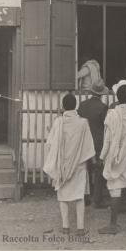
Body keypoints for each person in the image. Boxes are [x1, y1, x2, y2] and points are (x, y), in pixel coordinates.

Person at [43, 93, 95, 236]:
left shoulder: (58, 122)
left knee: (62, 194)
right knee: (79, 195)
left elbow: (51, 144)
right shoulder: (83, 122)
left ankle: (65, 227)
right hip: (79, 164)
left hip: (62, 165)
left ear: (63, 106)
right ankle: (80, 228)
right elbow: (88, 146)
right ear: (76, 105)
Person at [98, 84, 126, 235]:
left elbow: (108, 140)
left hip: (114, 156)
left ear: (117, 97)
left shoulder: (111, 115)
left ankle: (113, 225)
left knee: (115, 189)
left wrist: (102, 157)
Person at [78, 79, 109, 208]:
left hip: (84, 141)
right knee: (98, 170)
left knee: (85, 169)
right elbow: (106, 126)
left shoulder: (83, 105)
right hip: (98, 142)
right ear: (101, 94)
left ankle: (85, 196)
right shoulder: (103, 107)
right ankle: (97, 199)